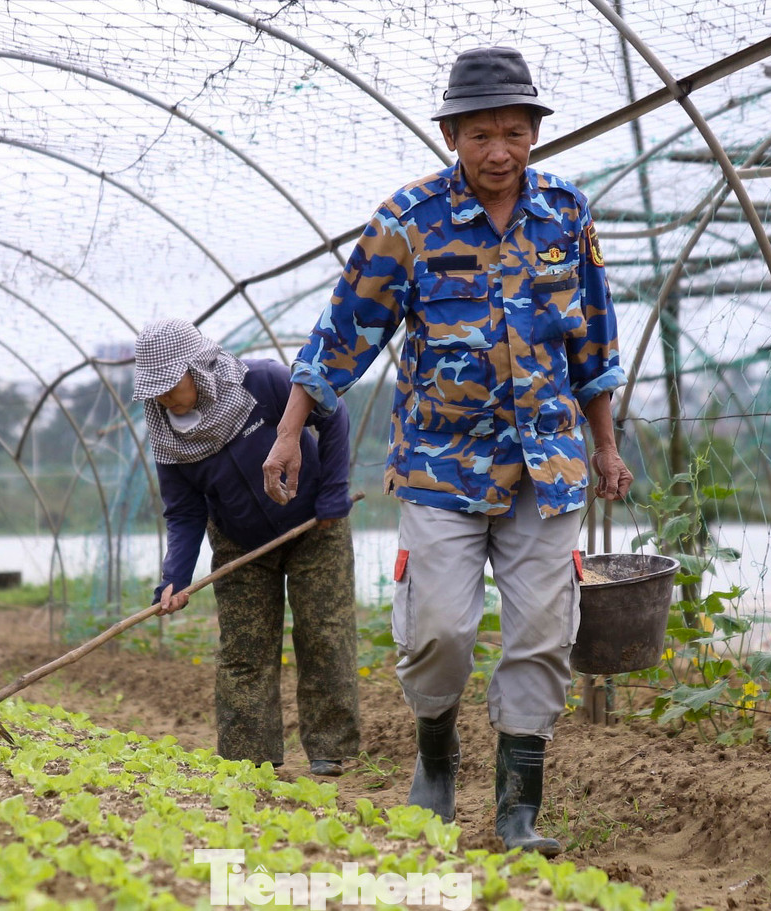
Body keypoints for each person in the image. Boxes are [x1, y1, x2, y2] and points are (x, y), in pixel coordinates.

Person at [261, 46, 634, 854]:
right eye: (479, 136)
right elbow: (342, 333)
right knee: (438, 629)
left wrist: (605, 444)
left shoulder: (566, 214)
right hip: (441, 463)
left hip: (548, 464)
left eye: (513, 132)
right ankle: (436, 753)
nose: (498, 152)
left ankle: (517, 808)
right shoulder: (410, 220)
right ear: (449, 135)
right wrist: (291, 429)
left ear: (534, 132)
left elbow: (594, 340)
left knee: (540, 628)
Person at [133, 319, 360, 777]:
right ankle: (249, 758)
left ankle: (329, 750)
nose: (165, 398)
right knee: (243, 649)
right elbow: (184, 512)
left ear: (198, 367)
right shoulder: (164, 430)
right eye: (155, 390)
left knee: (324, 632)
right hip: (238, 540)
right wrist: (174, 576)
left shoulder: (264, 382)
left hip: (315, 524)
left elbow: (334, 416)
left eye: (170, 384)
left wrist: (334, 491)